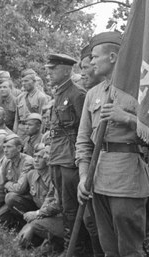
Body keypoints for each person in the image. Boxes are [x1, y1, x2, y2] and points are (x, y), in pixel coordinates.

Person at [76, 31, 149, 257]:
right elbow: (83, 141)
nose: (90, 62)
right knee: (108, 248)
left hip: (127, 177)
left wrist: (128, 119)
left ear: (112, 57)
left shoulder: (140, 92)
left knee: (130, 250)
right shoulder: (92, 94)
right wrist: (83, 177)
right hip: (97, 176)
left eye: (94, 57)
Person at [44, 52, 96, 255]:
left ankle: (75, 249)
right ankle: (69, 246)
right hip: (57, 155)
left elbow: (86, 130)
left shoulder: (77, 94)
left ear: (66, 70)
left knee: (72, 207)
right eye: (48, 69)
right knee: (63, 205)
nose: (48, 73)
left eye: (53, 69)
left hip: (70, 159)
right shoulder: (58, 93)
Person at [14, 145, 64, 253]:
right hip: (46, 213)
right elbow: (20, 190)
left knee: (34, 226)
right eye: (34, 156)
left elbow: (57, 205)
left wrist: (36, 215)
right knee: (11, 198)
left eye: (40, 157)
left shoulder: (55, 175)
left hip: (60, 217)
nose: (36, 160)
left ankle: (54, 243)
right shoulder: (32, 174)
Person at [0, 135, 34, 227]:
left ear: (19, 148)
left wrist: (6, 184)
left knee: (10, 197)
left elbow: (20, 189)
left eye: (9, 147)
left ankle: (26, 224)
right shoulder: (7, 161)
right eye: (4, 147)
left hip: (28, 201)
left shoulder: (28, 161)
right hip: (13, 199)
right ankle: (13, 219)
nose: (5, 150)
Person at [14, 70, 49, 138]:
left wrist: (39, 136)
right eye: (22, 81)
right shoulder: (20, 98)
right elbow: (16, 119)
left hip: (34, 132)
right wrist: (15, 133)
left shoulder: (41, 97)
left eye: (26, 81)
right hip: (20, 132)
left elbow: (43, 120)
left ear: (34, 81)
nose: (23, 83)